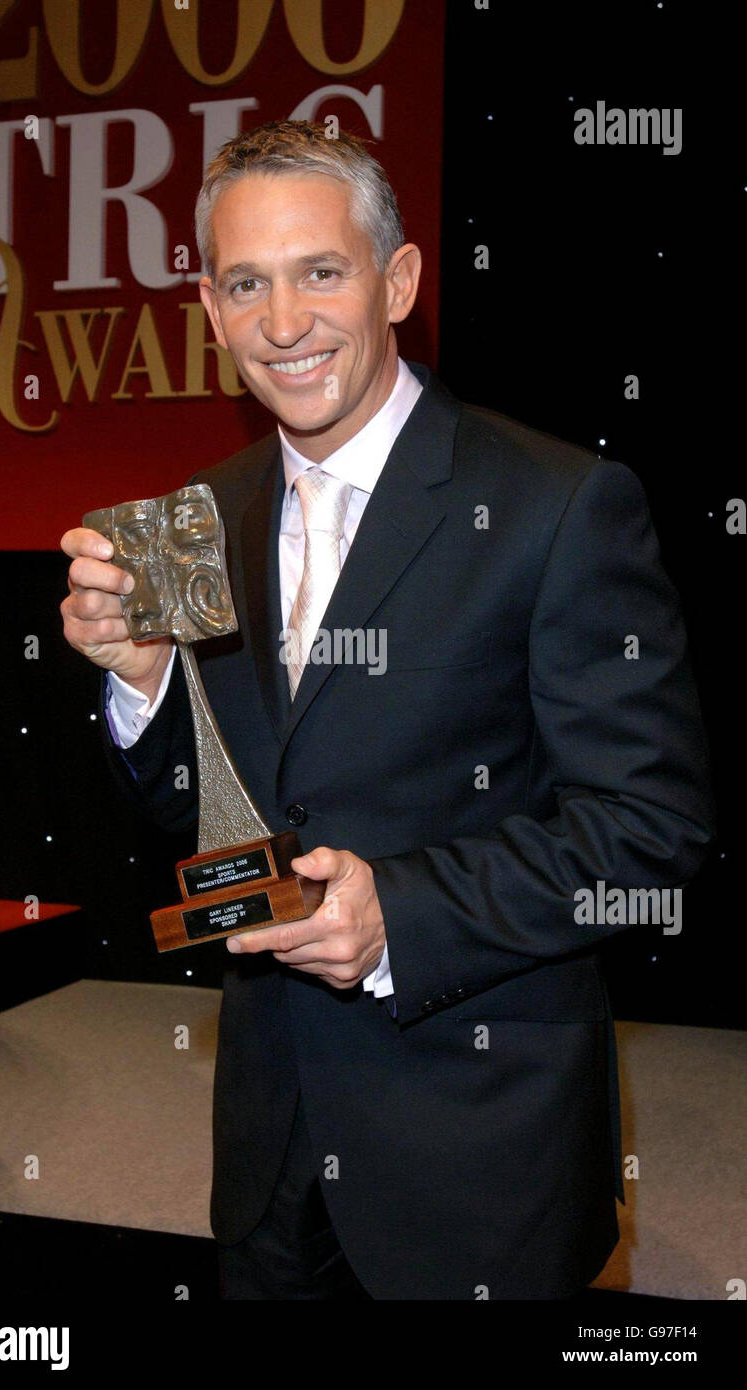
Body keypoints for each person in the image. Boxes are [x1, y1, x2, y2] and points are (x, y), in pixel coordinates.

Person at [60, 120, 714, 1300]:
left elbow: (649, 831)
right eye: (245, 283)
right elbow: (199, 822)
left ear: (399, 280)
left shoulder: (556, 504)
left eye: (321, 271)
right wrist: (142, 679)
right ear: (208, 310)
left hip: (478, 1161)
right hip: (268, 1151)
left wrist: (395, 915)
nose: (283, 322)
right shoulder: (201, 512)